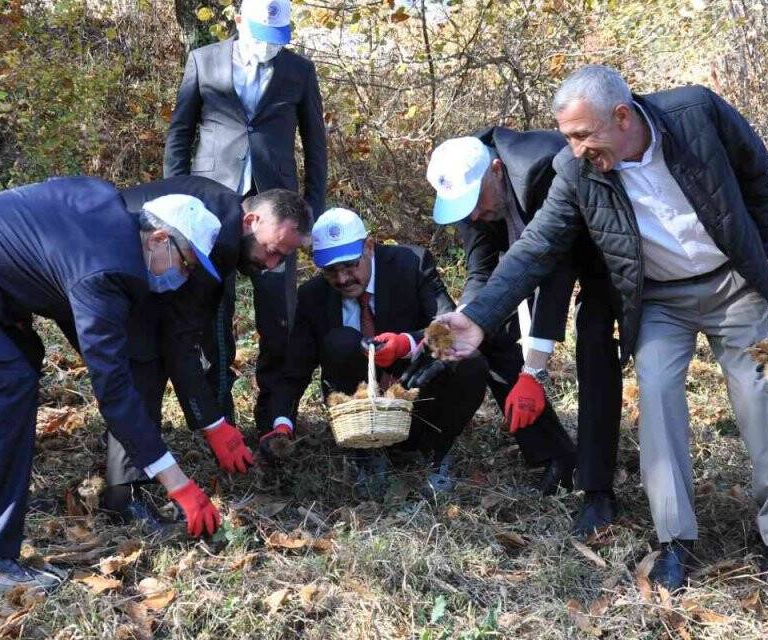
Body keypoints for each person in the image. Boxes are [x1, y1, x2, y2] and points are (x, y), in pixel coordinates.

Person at [433, 66, 768, 589]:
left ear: (623, 116)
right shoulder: (575, 168)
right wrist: (474, 319)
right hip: (659, 300)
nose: (577, 148)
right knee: (654, 395)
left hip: (735, 287)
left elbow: (754, 172)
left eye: (583, 135)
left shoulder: (695, 112)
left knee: (761, 394)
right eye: (567, 136)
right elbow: (536, 248)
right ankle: (674, 540)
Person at [0, 178, 227, 595]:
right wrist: (180, 485)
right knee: (6, 385)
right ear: (158, 238)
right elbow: (115, 393)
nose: (181, 276)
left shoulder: (101, 209)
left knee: (21, 359)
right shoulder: (106, 269)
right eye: (186, 263)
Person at [424, 132, 623, 520]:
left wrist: (535, 369)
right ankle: (555, 455)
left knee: (593, 342)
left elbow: (556, 267)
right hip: (530, 263)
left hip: (598, 253)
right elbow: (482, 270)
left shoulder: (542, 167)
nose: (474, 217)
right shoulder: (473, 200)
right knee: (487, 336)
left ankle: (598, 488)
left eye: (476, 206)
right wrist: (466, 319)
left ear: (496, 170)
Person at [164, 0, 328, 437]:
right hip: (212, 209)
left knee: (279, 317)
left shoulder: (299, 70)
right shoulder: (204, 61)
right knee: (212, 313)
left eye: (276, 41)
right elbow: (180, 133)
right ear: (238, 21)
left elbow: (316, 146)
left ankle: (274, 417)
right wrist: (176, 199)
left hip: (278, 212)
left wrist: (311, 211)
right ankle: (219, 416)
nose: (269, 49)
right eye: (260, 37)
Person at [114, 176, 311, 520]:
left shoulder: (223, 213)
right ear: (253, 220)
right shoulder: (216, 240)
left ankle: (127, 478)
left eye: (283, 258)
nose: (270, 264)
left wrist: (210, 418)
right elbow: (180, 339)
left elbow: (183, 332)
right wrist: (213, 423)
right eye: (272, 250)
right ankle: (122, 494)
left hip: (122, 273)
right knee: (144, 363)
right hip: (101, 266)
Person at [267, 208, 489, 499]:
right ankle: (365, 454)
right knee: (342, 341)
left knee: (470, 363)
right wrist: (281, 423)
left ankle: (434, 451)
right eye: (331, 271)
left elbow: (450, 328)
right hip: (356, 406)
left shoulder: (412, 264)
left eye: (350, 265)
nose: (343, 278)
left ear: (369, 246)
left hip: (417, 394)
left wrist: (407, 343)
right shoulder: (312, 296)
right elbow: (294, 369)